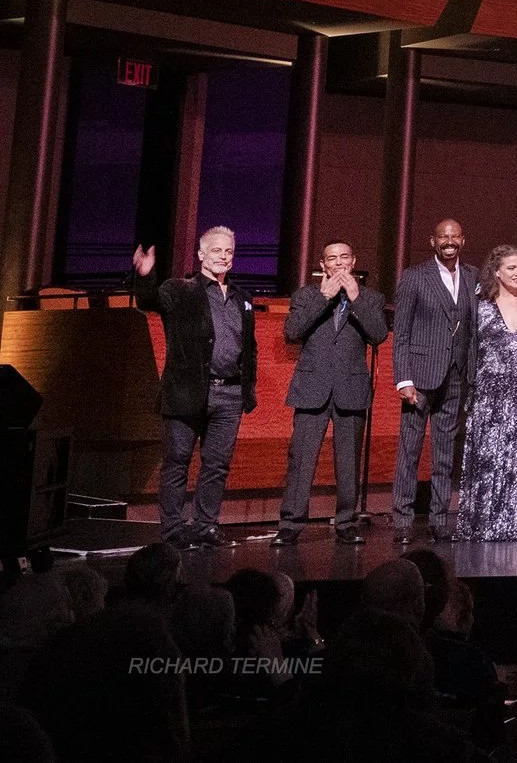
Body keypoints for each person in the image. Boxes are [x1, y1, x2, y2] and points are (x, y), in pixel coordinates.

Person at [130, 227, 256, 548]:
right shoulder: (180, 290)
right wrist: (145, 275)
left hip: (229, 396)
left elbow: (249, 347)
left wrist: (247, 387)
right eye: (216, 251)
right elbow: (149, 300)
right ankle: (173, 529)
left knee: (216, 465)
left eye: (228, 251)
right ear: (201, 255)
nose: (223, 257)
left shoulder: (242, 298)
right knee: (177, 461)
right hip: (187, 392)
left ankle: (206, 525)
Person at [276, 239, 386, 545]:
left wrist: (356, 299)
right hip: (312, 387)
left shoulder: (370, 298)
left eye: (344, 257)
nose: (338, 263)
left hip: (351, 388)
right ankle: (290, 523)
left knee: (348, 461)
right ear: (322, 265)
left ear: (353, 262)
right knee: (301, 459)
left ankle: (346, 522)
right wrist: (323, 298)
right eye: (332, 258)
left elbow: (378, 334)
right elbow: (292, 332)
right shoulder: (306, 295)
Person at [453, 245, 517, 541]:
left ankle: (512, 525)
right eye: (511, 268)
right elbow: (468, 346)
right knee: (488, 458)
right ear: (496, 272)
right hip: (489, 395)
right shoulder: (481, 304)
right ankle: (482, 523)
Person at [389, 217, 476, 543]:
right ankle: (402, 520)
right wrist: (403, 379)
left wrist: (473, 373)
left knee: (444, 453)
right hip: (421, 378)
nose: (449, 242)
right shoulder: (415, 277)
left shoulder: (472, 277)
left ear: (463, 240)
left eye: (454, 236)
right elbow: (401, 333)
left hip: (455, 377)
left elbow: (474, 330)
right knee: (409, 451)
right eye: (443, 237)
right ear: (433, 241)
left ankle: (439, 519)